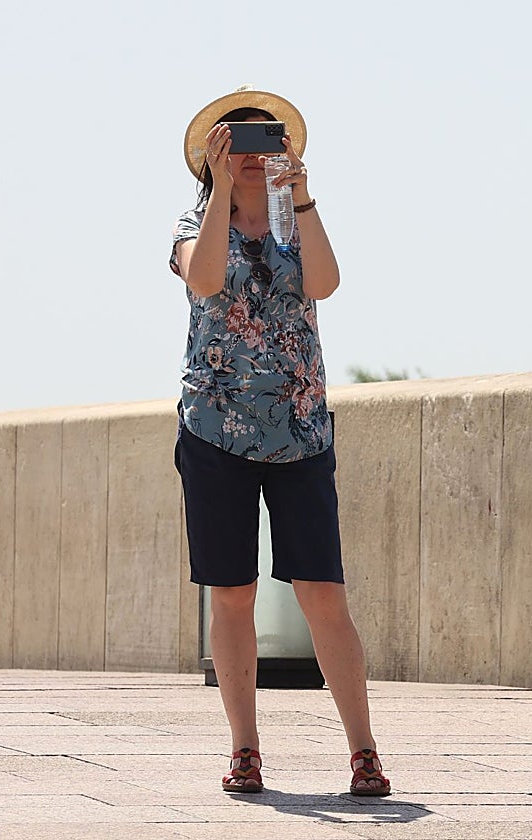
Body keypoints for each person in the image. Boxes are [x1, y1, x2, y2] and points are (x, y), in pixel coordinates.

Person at [170, 86, 390, 796]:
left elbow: (324, 283)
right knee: (231, 593)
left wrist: (301, 196)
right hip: (215, 431)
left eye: (267, 140)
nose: (254, 153)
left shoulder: (298, 221)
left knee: (324, 593)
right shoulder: (189, 222)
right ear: (213, 153)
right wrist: (215, 195)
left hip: (300, 432)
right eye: (237, 142)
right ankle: (244, 750)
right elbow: (204, 279)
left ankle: (363, 752)